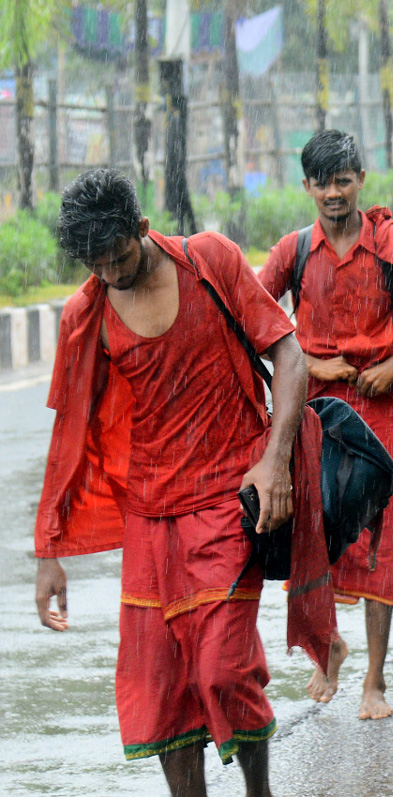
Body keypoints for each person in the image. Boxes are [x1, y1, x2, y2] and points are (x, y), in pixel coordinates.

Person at [35, 169, 326, 794]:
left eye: (118, 258)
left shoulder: (209, 261)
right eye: (97, 266)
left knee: (224, 670)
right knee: (161, 688)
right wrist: (49, 551)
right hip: (149, 519)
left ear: (142, 229)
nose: (111, 274)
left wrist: (275, 462)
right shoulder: (86, 315)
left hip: (229, 499)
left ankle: (259, 791)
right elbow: (70, 436)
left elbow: (289, 353)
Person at [259, 130, 393, 719]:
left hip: (378, 409)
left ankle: (374, 681)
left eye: (343, 180)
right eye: (321, 182)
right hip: (314, 412)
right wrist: (312, 362)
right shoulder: (293, 251)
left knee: (379, 542)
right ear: (306, 187)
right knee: (310, 534)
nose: (333, 193)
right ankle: (329, 645)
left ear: (361, 180)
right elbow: (253, 318)